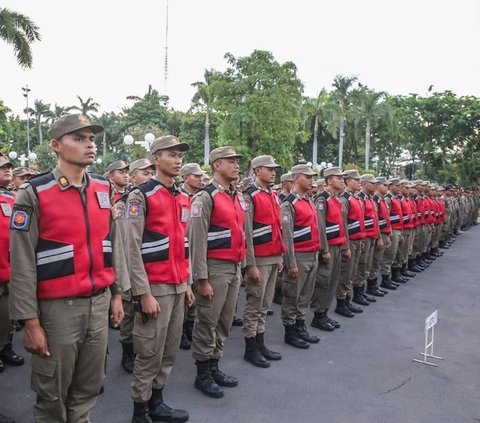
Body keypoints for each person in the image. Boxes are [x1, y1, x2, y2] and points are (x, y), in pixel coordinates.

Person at [9, 114, 126, 423]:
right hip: (57, 312)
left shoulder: (102, 187)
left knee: (87, 389)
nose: (89, 144)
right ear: (56, 146)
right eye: (79, 138)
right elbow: (21, 262)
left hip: (98, 304)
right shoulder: (33, 193)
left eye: (91, 138)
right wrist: (30, 322)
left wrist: (116, 293)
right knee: (53, 397)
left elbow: (110, 244)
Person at [126, 136, 194, 423]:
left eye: (180, 155)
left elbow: (185, 243)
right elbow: (131, 248)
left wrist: (188, 283)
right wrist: (143, 293)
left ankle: (157, 401)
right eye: (171, 154)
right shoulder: (140, 196)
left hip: (178, 286)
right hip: (155, 288)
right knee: (149, 352)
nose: (177, 160)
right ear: (156, 159)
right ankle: (140, 410)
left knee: (168, 349)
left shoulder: (183, 197)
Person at [188, 146, 246, 399]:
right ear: (216, 165)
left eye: (236, 161)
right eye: (230, 161)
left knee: (224, 322)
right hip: (214, 269)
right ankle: (202, 373)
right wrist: (201, 279)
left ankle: (214, 365)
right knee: (207, 323)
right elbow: (197, 241)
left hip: (233, 267)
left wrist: (241, 266)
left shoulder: (235, 195)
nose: (236, 165)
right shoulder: (205, 197)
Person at [242, 155, 285, 368]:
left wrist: (280, 256)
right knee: (254, 305)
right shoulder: (250, 196)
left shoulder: (273, 195)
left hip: (272, 255)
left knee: (265, 305)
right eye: (269, 168)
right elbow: (247, 233)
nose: (273, 172)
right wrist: (250, 264)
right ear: (257, 170)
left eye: (274, 169)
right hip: (258, 258)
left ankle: (260, 343)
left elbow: (277, 227)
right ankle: (251, 348)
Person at [116, 158, 155, 374]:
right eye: (145, 173)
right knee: (130, 310)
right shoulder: (124, 203)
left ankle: (142, 350)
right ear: (133, 177)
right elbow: (125, 239)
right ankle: (126, 351)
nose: (149, 177)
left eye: (151, 173)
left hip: (146, 264)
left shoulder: (153, 197)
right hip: (127, 263)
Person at [280, 164, 320, 349]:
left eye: (312, 177)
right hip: (299, 256)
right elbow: (287, 236)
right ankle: (290, 331)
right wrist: (291, 262)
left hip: (312, 254)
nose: (311, 179)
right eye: (307, 176)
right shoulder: (289, 203)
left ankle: (300, 325)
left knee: (305, 295)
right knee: (292, 295)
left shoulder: (309, 201)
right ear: (296, 178)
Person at [311, 166, 349, 331]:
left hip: (338, 245)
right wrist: (324, 250)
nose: (342, 180)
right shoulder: (322, 199)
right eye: (338, 178)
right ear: (329, 180)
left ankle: (325, 312)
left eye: (342, 178)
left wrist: (345, 245)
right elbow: (320, 227)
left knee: (333, 281)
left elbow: (342, 225)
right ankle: (318, 315)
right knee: (324, 281)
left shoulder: (337, 199)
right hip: (328, 248)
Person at [179, 163, 204, 350]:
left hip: (193, 248)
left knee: (194, 292)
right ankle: (180, 330)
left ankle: (189, 327)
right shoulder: (179, 195)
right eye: (196, 176)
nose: (201, 179)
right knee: (183, 297)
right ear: (186, 178)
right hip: (181, 248)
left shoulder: (199, 197)